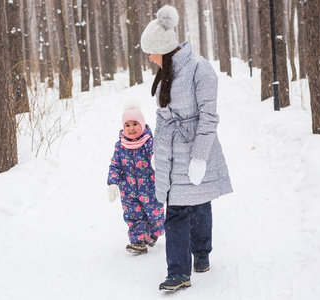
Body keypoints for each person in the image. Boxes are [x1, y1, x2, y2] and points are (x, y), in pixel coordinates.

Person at [140, 5, 233, 291]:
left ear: (163, 50)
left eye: (151, 53)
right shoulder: (164, 73)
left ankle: (202, 254)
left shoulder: (200, 69)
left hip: (195, 150)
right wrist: (159, 154)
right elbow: (162, 115)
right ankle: (179, 272)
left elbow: (209, 117)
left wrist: (200, 157)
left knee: (200, 205)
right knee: (176, 210)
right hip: (172, 153)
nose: (149, 59)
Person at [107, 99, 165, 254]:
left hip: (150, 189)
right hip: (129, 191)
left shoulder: (150, 142)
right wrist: (113, 183)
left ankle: (154, 231)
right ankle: (138, 241)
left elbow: (158, 157)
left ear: (142, 124)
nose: (131, 128)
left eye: (135, 124)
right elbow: (115, 166)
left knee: (155, 216)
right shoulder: (120, 146)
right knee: (133, 216)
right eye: (127, 125)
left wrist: (156, 162)